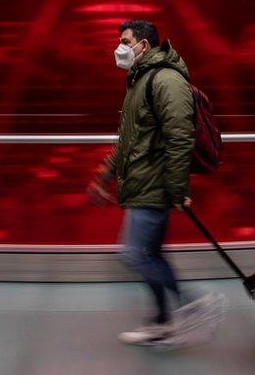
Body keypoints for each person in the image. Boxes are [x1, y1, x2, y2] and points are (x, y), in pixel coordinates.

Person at [87, 20, 223, 346]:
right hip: (143, 183)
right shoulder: (140, 82)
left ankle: (193, 304)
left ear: (143, 46)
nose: (119, 48)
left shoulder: (166, 80)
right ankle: (161, 324)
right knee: (152, 253)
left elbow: (180, 137)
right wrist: (103, 178)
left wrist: (178, 190)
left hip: (156, 186)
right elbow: (127, 141)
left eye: (124, 41)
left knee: (136, 254)